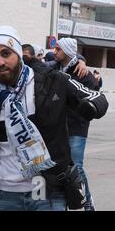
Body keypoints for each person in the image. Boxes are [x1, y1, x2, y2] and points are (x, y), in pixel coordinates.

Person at [0, 26, 108, 211]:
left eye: (6, 53)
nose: (0, 62)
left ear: (18, 53)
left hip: (42, 186)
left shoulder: (52, 81)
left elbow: (96, 97)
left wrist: (90, 107)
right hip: (7, 193)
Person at [54, 37, 99, 210]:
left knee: (77, 167)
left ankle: (87, 201)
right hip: (57, 127)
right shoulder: (55, 67)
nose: (54, 52)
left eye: (58, 49)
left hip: (77, 127)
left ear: (66, 51)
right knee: (60, 168)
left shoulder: (83, 73)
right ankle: (64, 201)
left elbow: (94, 98)